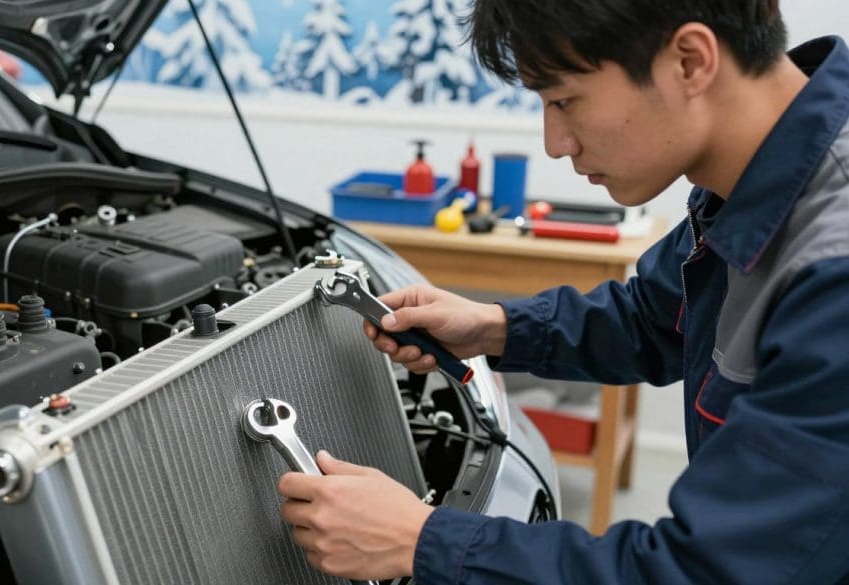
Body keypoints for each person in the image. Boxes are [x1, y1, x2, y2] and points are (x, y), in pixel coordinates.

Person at [276, 1, 849, 583]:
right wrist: (493, 327)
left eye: (563, 100)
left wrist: (419, 539)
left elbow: (706, 573)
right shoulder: (761, 181)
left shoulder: (834, 272)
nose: (555, 142)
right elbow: (653, 319)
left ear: (690, 61)